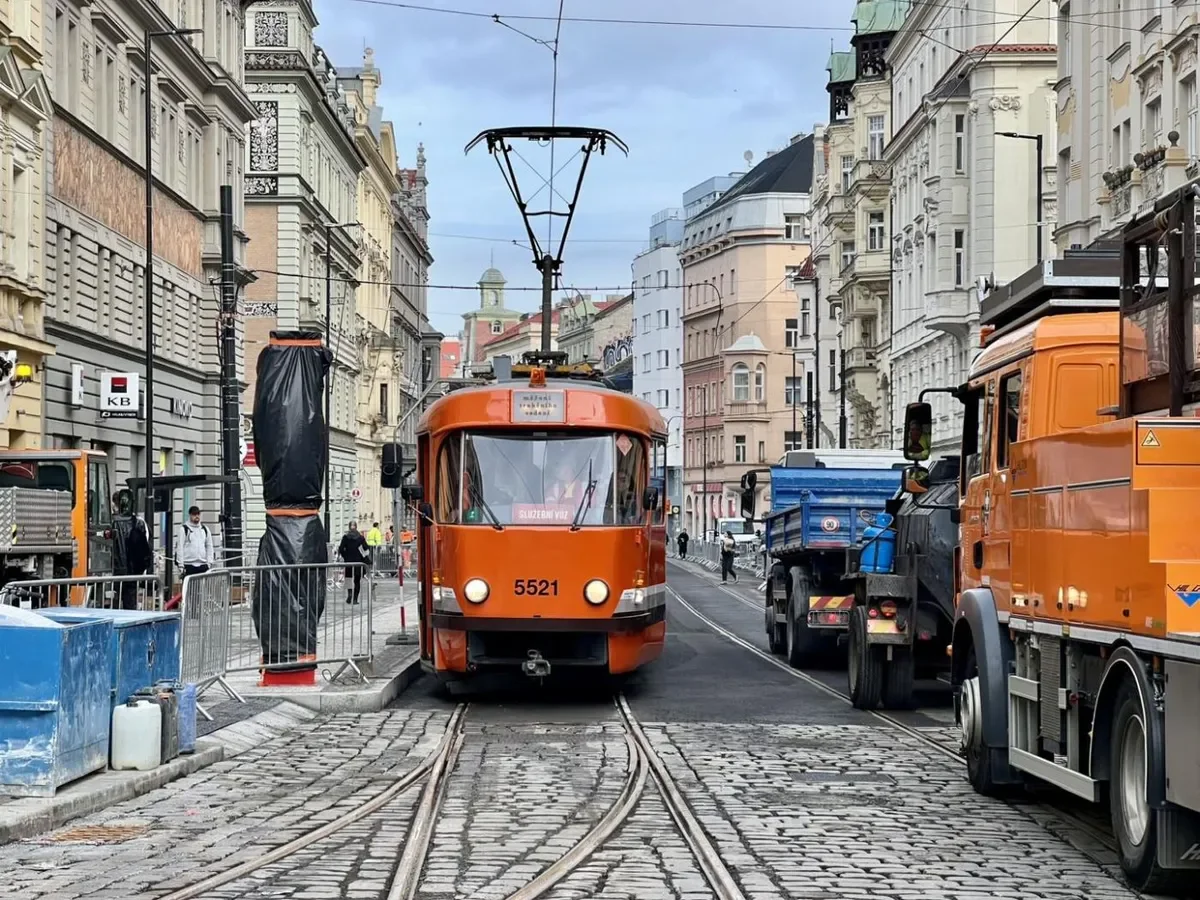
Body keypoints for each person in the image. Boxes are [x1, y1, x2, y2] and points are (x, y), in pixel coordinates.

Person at [111, 491, 153, 610]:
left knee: (114, 602)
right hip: (133, 570)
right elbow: (146, 545)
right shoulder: (138, 522)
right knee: (130, 603)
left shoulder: (112, 522)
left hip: (115, 569)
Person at [174, 505, 214, 581]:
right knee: (188, 590)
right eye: (194, 514)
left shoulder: (205, 529)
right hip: (188, 565)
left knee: (202, 590)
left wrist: (209, 563)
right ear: (190, 515)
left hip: (203, 565)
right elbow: (180, 547)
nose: (196, 516)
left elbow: (209, 546)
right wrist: (181, 565)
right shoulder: (183, 529)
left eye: (198, 514)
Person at [337, 521, 371, 604]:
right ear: (356, 527)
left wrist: (345, 556)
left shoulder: (345, 537)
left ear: (349, 527)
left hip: (348, 562)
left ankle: (349, 594)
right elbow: (366, 548)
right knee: (357, 580)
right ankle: (355, 599)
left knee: (348, 579)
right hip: (358, 562)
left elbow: (341, 548)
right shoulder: (360, 538)